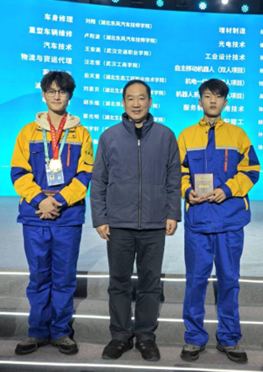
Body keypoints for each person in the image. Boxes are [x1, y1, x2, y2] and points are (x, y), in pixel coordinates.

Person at [90, 79, 181, 362]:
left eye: (142, 98)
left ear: (150, 102)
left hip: (154, 223)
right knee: (118, 282)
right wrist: (100, 218)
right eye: (131, 98)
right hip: (119, 223)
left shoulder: (166, 135)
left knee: (150, 284)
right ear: (123, 103)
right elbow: (99, 180)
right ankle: (119, 335)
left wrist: (172, 213)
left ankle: (145, 336)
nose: (136, 103)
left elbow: (174, 178)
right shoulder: (110, 136)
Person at [177, 78, 260, 364]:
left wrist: (227, 190)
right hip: (198, 220)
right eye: (207, 96)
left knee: (229, 281)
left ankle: (229, 338)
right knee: (195, 282)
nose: (213, 101)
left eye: (218, 96)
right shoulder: (186, 136)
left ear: (225, 101)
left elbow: (251, 170)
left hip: (230, 219)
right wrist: (187, 191)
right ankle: (194, 337)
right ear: (199, 101)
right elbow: (178, 172)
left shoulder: (238, 135)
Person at [11, 71, 93, 356]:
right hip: (35, 216)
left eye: (62, 91)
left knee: (64, 277)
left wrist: (57, 201)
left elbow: (85, 174)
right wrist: (40, 201)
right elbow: (19, 172)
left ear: (70, 96)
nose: (57, 96)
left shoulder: (82, 134)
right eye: (52, 91)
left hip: (67, 216)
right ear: (43, 95)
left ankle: (60, 332)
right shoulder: (28, 132)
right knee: (38, 276)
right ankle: (37, 331)